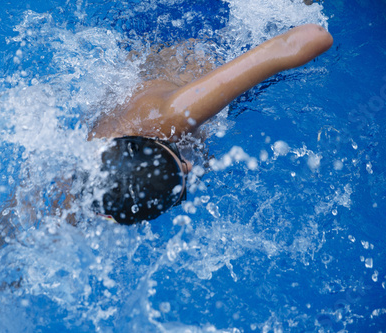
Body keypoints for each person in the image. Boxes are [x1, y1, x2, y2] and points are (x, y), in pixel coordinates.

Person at [90, 24, 333, 224]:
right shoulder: (87, 177)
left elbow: (304, 39)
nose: (187, 166)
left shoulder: (172, 116)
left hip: (210, 33)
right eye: (179, 194)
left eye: (174, 154)